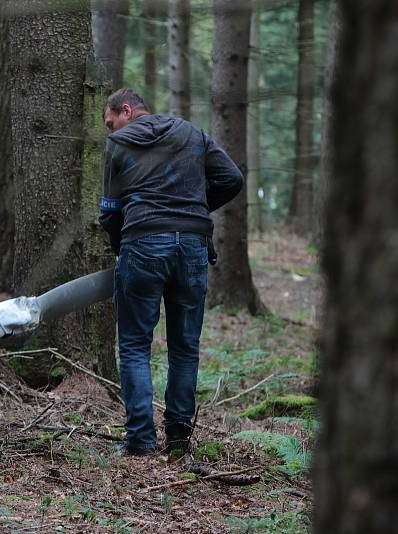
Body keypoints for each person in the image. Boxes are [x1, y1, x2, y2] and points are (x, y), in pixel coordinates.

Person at [99, 89, 243, 456]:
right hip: (193, 247)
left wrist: (124, 246)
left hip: (143, 244)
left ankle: (141, 442)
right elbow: (232, 178)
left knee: (133, 346)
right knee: (185, 347)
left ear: (126, 110)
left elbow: (109, 211)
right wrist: (192, 208)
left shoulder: (118, 144)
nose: (109, 129)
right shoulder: (192, 133)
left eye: (110, 121)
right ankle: (179, 442)